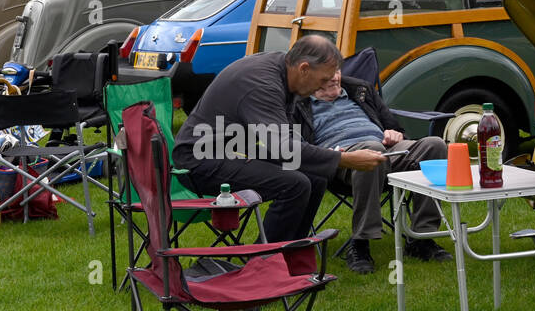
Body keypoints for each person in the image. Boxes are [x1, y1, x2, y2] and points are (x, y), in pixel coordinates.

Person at [172, 36, 385, 243]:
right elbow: (284, 148)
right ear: (304, 69)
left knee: (315, 176)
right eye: (321, 81)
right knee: (293, 185)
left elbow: (287, 142)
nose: (321, 88)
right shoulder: (262, 85)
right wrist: (344, 160)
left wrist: (326, 157)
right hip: (199, 158)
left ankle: (291, 253)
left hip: (233, 148)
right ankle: (263, 261)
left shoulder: (285, 70)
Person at [294, 70, 451, 272]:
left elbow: (394, 127)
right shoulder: (297, 102)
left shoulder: (359, 89)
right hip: (341, 159)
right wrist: (327, 155)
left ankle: (422, 238)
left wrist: (395, 134)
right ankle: (360, 244)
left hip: (386, 150)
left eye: (337, 70)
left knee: (434, 145)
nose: (334, 76)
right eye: (327, 71)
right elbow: (296, 147)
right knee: (372, 151)